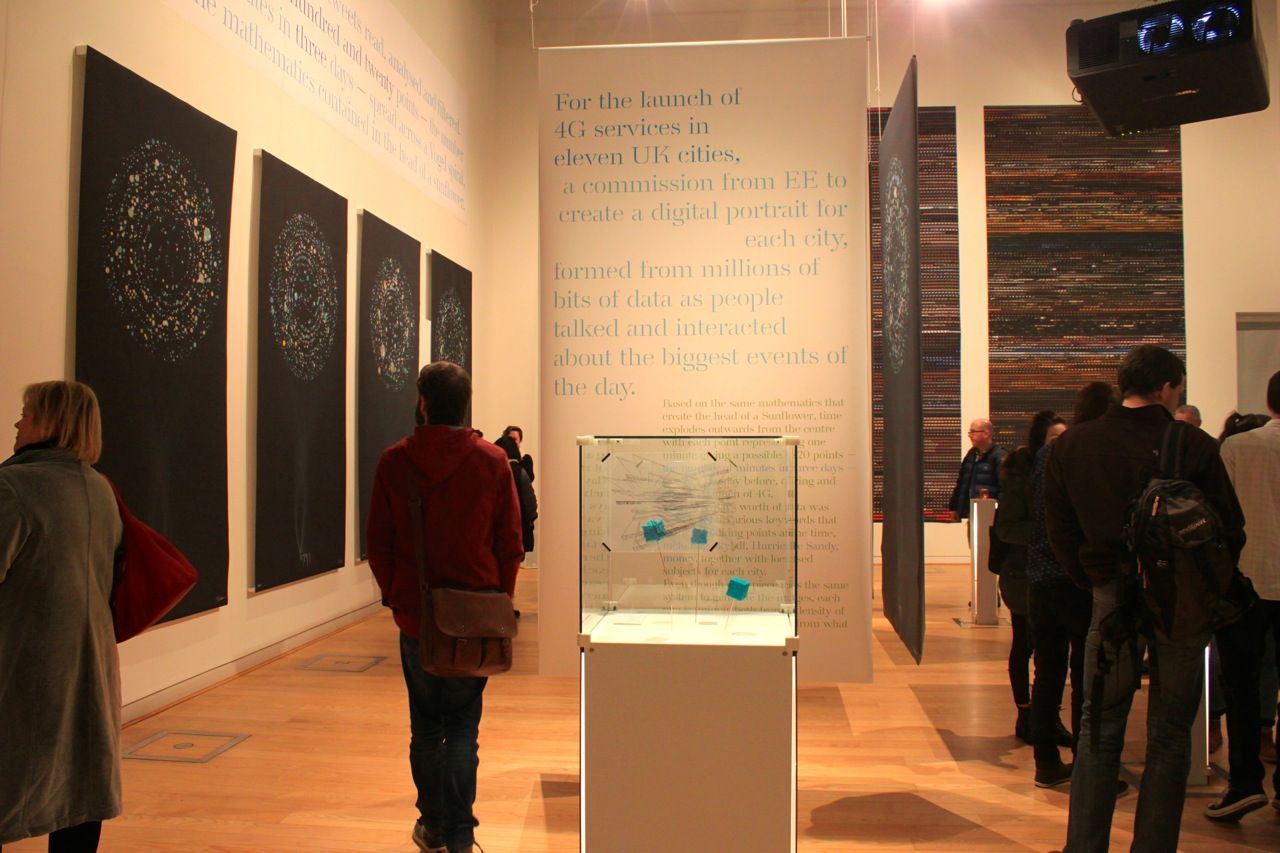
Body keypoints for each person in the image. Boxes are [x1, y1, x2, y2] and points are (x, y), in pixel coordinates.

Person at [1046, 345, 1245, 852]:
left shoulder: (1075, 444)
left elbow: (1060, 530)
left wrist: (1093, 579)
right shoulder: (1193, 445)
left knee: (1098, 728)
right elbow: (1229, 529)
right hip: (1181, 604)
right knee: (1170, 736)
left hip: (1110, 597)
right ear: (1168, 388)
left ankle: (1084, 846)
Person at [366, 362, 524, 853]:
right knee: (461, 730)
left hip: (417, 618)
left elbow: (379, 543)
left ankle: (433, 826)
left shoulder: (395, 461)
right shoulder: (492, 461)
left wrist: (397, 598)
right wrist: (500, 601)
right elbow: (510, 544)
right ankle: (460, 836)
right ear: (465, 404)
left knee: (425, 728)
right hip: (474, 619)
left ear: (423, 403)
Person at [0, 380, 123, 852]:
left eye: (27, 412)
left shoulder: (13, 488)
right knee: (82, 787)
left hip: (24, 663)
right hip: (89, 661)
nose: (17, 422)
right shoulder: (99, 488)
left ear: (51, 422)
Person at [1027, 383, 1115, 788]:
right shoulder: (1092, 453)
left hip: (1042, 578)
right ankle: (1086, 766)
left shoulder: (1047, 454)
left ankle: (1046, 762)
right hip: (1078, 579)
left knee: (1047, 673)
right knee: (1084, 676)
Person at [1206, 373, 1280, 821]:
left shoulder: (1237, 447)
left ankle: (1245, 782)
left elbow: (1222, 519)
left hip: (1248, 580)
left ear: (1269, 403)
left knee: (1242, 685)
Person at [992, 410, 1066, 744]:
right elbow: (1006, 528)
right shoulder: (1020, 477)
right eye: (1054, 438)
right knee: (1025, 645)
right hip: (1023, 574)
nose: (1060, 445)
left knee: (1053, 652)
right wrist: (1046, 533)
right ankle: (1026, 714)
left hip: (1055, 573)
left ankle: (1047, 717)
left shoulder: (1064, 474)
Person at [948, 418, 1006, 521]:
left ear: (986, 433)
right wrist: (955, 507)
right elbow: (962, 482)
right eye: (970, 432)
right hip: (971, 513)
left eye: (973, 432)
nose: (970, 436)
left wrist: (999, 511)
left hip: (990, 515)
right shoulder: (971, 455)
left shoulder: (999, 456)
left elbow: (1005, 488)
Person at [495, 434, 537, 554]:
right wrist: (530, 520)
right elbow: (530, 503)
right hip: (519, 527)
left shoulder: (494, 470)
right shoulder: (520, 472)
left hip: (498, 529)